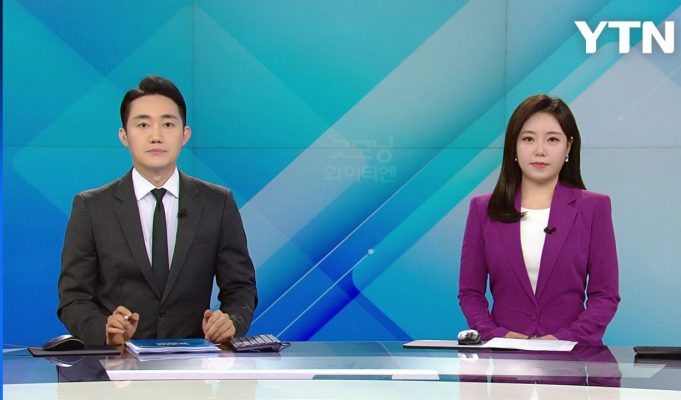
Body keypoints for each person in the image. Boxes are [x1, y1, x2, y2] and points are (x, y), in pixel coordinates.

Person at [58, 76, 257, 346]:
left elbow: (241, 288)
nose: (156, 136)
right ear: (124, 136)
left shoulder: (217, 203)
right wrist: (105, 330)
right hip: (116, 363)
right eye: (143, 124)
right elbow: (73, 299)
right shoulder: (91, 207)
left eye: (168, 124)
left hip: (193, 362)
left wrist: (231, 321)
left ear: (185, 134)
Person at [458, 94, 619, 344]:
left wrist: (565, 339)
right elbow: (470, 293)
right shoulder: (483, 210)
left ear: (568, 146)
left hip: (573, 356)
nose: (540, 150)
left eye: (552, 139)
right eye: (528, 139)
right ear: (513, 146)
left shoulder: (594, 208)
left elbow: (605, 295)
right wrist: (498, 336)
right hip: (504, 357)